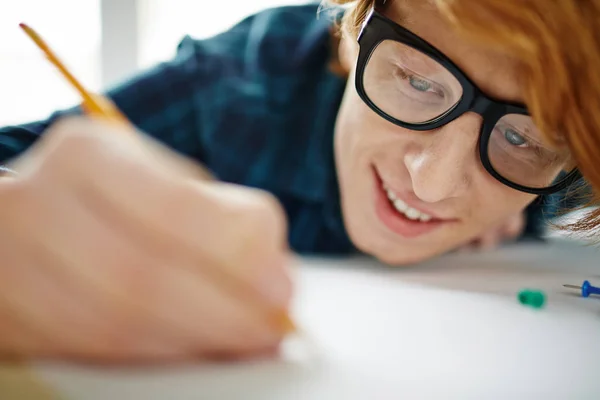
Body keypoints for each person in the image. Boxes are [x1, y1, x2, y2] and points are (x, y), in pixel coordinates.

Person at [0, 0, 584, 362]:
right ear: (352, 31)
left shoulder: (574, 157)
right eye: (417, 82)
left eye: (523, 140)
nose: (432, 186)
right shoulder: (232, 91)